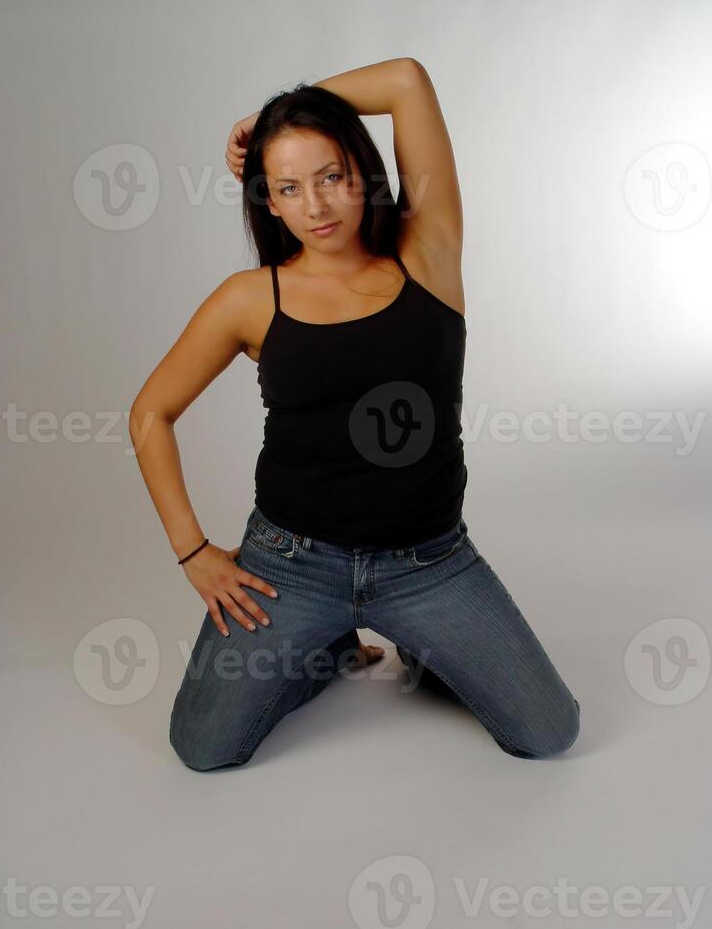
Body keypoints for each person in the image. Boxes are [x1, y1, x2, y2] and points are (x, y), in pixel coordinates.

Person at [129, 58, 580, 771]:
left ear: (362, 172)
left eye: (331, 174)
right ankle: (320, 652)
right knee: (203, 748)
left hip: (428, 563)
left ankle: (433, 653)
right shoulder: (250, 298)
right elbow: (151, 412)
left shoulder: (425, 252)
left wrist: (280, 113)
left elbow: (405, 80)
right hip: (291, 565)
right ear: (269, 203)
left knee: (549, 732)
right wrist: (194, 553)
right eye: (288, 187)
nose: (316, 204)